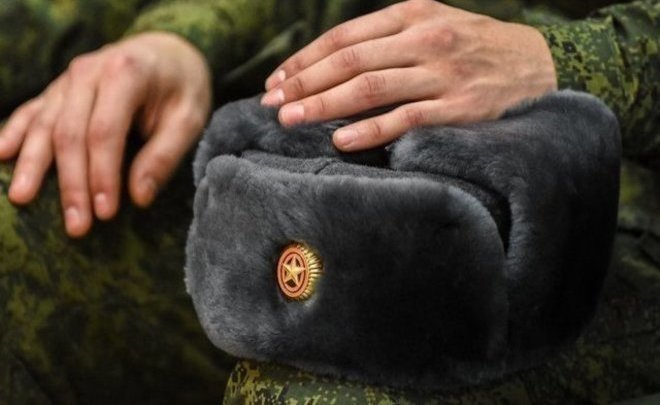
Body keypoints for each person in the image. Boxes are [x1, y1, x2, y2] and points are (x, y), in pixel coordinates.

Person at [0, 0, 658, 402]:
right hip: (305, 143)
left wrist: (562, 60)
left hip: (614, 207)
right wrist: (183, 39)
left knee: (323, 384)